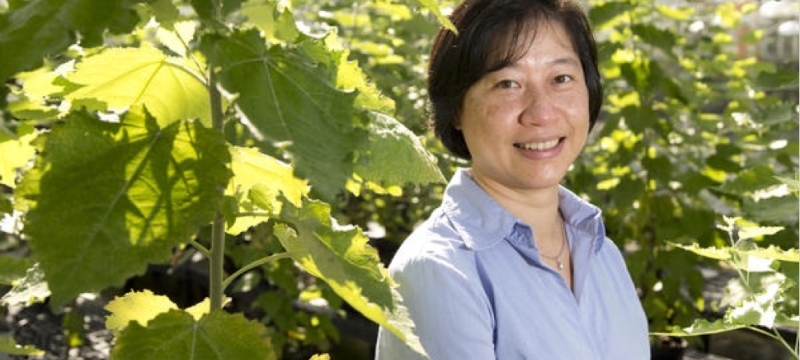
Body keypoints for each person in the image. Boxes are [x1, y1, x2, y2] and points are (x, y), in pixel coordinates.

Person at [374, 0, 650, 359]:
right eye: (508, 83)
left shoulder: (601, 253)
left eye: (561, 79)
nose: (542, 112)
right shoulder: (439, 271)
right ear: (456, 108)